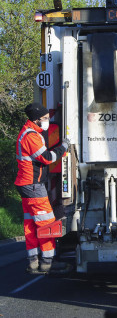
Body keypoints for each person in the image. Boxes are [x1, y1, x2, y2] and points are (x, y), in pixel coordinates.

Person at [15, 103, 69, 273]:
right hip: (33, 186)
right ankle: (47, 262)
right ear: (36, 119)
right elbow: (46, 158)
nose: (47, 121)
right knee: (46, 223)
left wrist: (60, 151)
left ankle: (33, 262)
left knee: (30, 224)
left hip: (26, 185)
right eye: (45, 118)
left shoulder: (29, 133)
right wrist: (64, 147)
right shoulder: (30, 136)